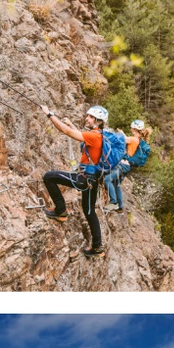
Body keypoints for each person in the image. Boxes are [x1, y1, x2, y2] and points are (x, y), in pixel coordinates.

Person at [39, 104, 109, 257]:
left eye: (90, 117)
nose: (87, 118)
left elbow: (65, 131)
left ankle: (60, 210)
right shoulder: (100, 135)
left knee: (49, 177)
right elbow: (82, 136)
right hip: (93, 181)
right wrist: (71, 124)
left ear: (98, 121)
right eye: (88, 116)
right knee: (89, 212)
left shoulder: (94, 136)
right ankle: (97, 247)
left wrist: (49, 114)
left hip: (84, 179)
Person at [105, 119, 151, 213]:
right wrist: (122, 133)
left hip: (122, 165)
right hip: (127, 167)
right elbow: (128, 141)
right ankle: (120, 207)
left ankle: (113, 202)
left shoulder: (133, 139)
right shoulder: (138, 140)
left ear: (134, 129)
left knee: (107, 179)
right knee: (116, 184)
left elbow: (122, 140)